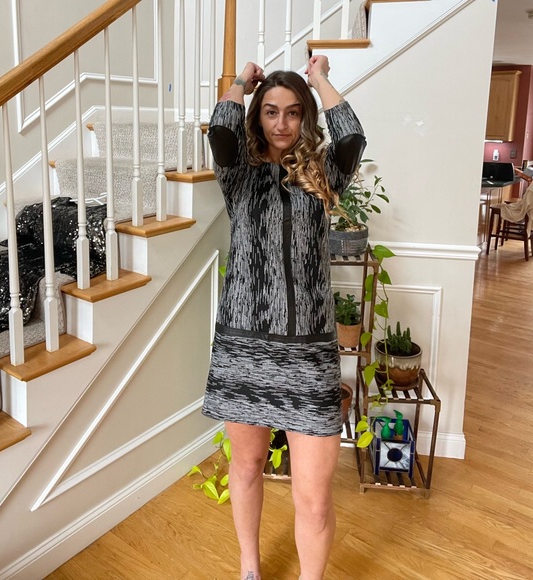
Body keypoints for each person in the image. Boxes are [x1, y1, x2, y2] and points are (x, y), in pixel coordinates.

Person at [202, 55, 366, 580]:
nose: (281, 123)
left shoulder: (323, 174)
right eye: (270, 111)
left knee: (313, 498)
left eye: (293, 112)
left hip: (308, 351)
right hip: (243, 348)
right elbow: (221, 131)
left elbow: (352, 137)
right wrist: (239, 83)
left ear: (305, 117)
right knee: (247, 466)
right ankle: (249, 568)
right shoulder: (238, 173)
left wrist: (318, 78)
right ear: (258, 116)